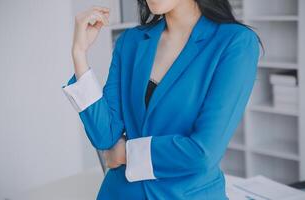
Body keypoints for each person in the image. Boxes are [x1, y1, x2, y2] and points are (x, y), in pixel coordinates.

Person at [61, 0, 263, 199]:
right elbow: (105, 136)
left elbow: (203, 153)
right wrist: (79, 54)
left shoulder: (236, 42)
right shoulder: (130, 41)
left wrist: (126, 155)